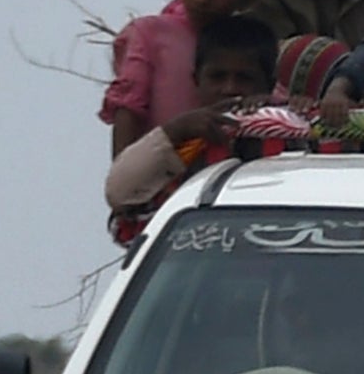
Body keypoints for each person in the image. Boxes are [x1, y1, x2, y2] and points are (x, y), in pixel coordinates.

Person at [102, 0, 267, 153]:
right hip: (161, 179)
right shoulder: (148, 35)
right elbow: (128, 115)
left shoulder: (251, 46)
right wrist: (126, 180)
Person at [105, 16, 282, 228]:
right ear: (196, 81)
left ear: (269, 85)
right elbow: (120, 192)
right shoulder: (182, 142)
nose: (229, 89)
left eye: (244, 79)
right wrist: (174, 131)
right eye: (217, 77)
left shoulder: (289, 136)